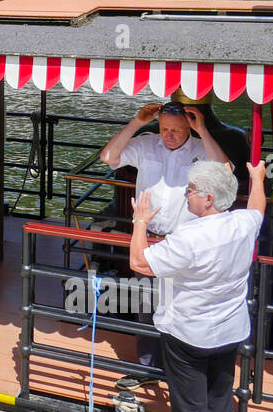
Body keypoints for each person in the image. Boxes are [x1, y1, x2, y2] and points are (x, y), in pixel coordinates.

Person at [129, 159, 267, 412]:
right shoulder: (242, 223)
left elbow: (139, 263)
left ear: (208, 198)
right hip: (229, 329)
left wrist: (140, 221)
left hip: (188, 333)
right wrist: (258, 179)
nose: (186, 194)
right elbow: (257, 207)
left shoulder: (189, 237)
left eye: (190, 190)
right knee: (220, 403)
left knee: (190, 410)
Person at [99, 100, 233, 389]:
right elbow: (108, 156)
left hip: (186, 239)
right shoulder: (147, 143)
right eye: (164, 128)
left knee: (184, 308)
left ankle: (181, 372)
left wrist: (203, 132)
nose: (168, 134)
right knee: (148, 306)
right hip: (150, 238)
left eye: (175, 129)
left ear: (189, 126)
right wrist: (137, 122)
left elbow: (227, 172)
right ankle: (148, 368)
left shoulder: (200, 148)